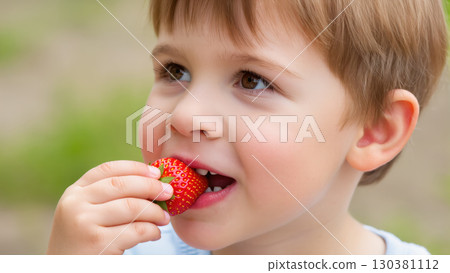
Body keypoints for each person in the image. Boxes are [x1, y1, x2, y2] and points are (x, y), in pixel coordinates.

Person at [47, 0, 448, 254]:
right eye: (176, 70)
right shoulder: (126, 253)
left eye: (252, 81)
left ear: (374, 130)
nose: (185, 116)